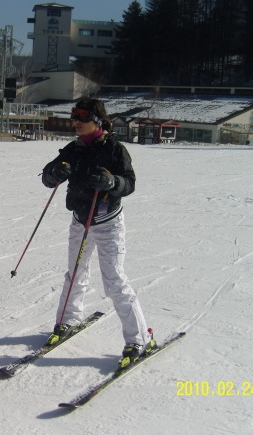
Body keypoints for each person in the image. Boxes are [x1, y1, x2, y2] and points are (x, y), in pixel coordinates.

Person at [41, 96, 153, 366]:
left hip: (108, 223)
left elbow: (130, 183)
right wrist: (54, 172)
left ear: (98, 121)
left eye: (82, 117)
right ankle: (69, 320)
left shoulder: (115, 150)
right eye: (74, 117)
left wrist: (112, 181)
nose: (76, 122)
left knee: (114, 281)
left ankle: (139, 338)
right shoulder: (74, 148)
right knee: (75, 274)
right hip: (80, 220)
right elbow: (47, 176)